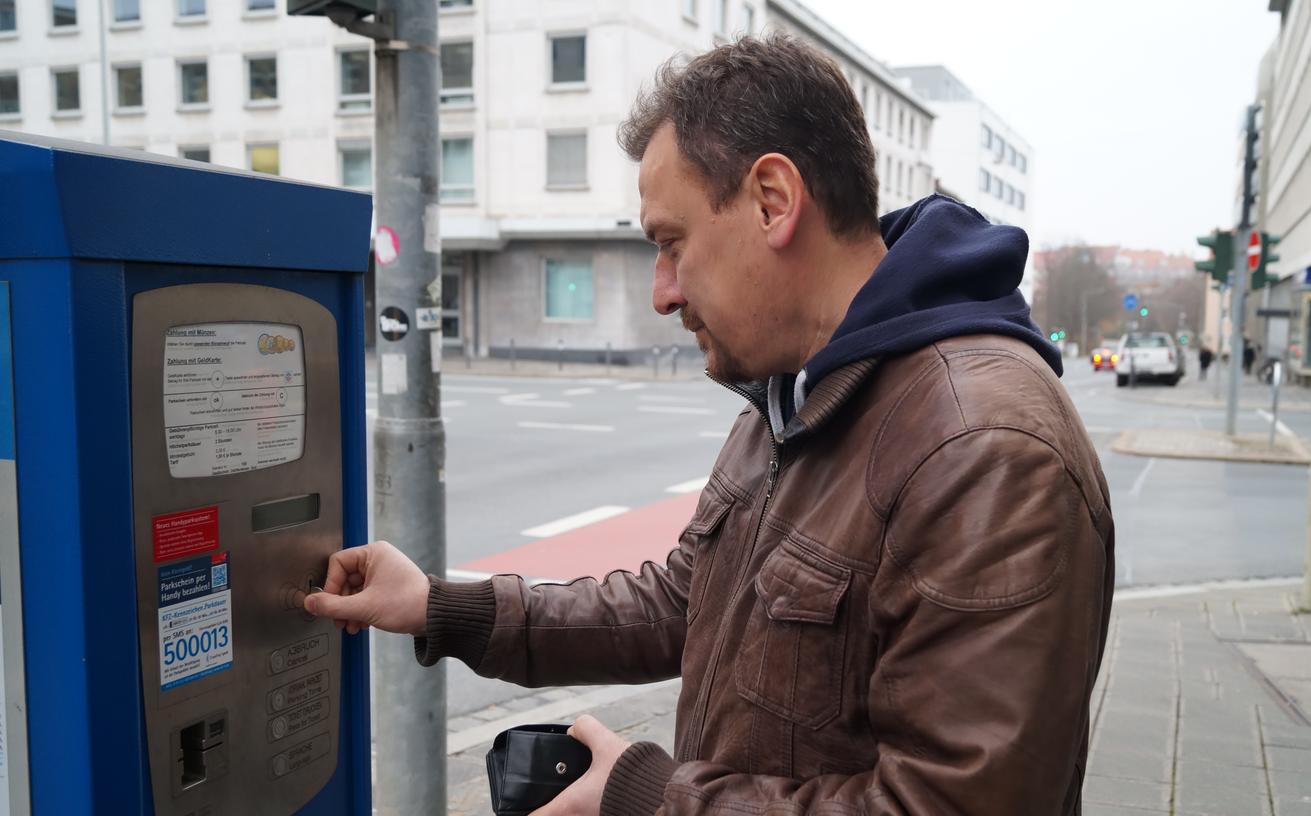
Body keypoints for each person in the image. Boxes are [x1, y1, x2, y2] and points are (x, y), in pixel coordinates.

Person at [307, 35, 1114, 816]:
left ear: (772, 201)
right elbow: (680, 604)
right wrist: (440, 606)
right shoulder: (797, 390)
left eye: (671, 243)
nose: (661, 292)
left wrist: (645, 798)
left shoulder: (983, 449)